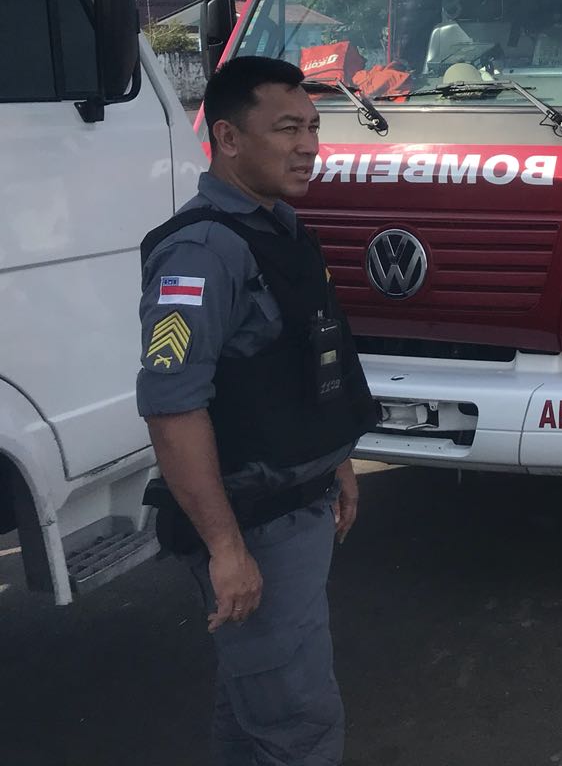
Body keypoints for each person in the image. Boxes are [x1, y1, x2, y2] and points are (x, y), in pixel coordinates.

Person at [138, 56, 377, 764]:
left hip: (296, 505)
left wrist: (338, 464)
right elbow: (172, 406)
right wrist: (226, 549)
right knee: (297, 721)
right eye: (286, 128)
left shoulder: (279, 227)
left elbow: (305, 365)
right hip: (255, 521)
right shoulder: (203, 251)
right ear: (228, 138)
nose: (308, 145)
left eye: (312, 127)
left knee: (253, 713)